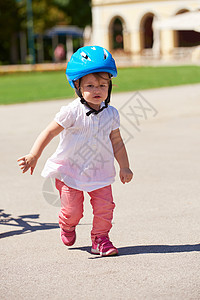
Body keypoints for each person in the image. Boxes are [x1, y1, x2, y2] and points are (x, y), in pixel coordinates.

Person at [18, 46, 133, 256]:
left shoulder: (112, 114)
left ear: (110, 87)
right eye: (90, 85)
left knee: (105, 209)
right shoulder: (72, 112)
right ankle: (67, 224)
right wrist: (34, 155)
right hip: (70, 172)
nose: (97, 90)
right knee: (73, 213)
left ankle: (101, 239)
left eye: (102, 85)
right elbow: (49, 132)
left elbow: (117, 141)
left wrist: (124, 166)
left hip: (100, 172)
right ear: (77, 86)